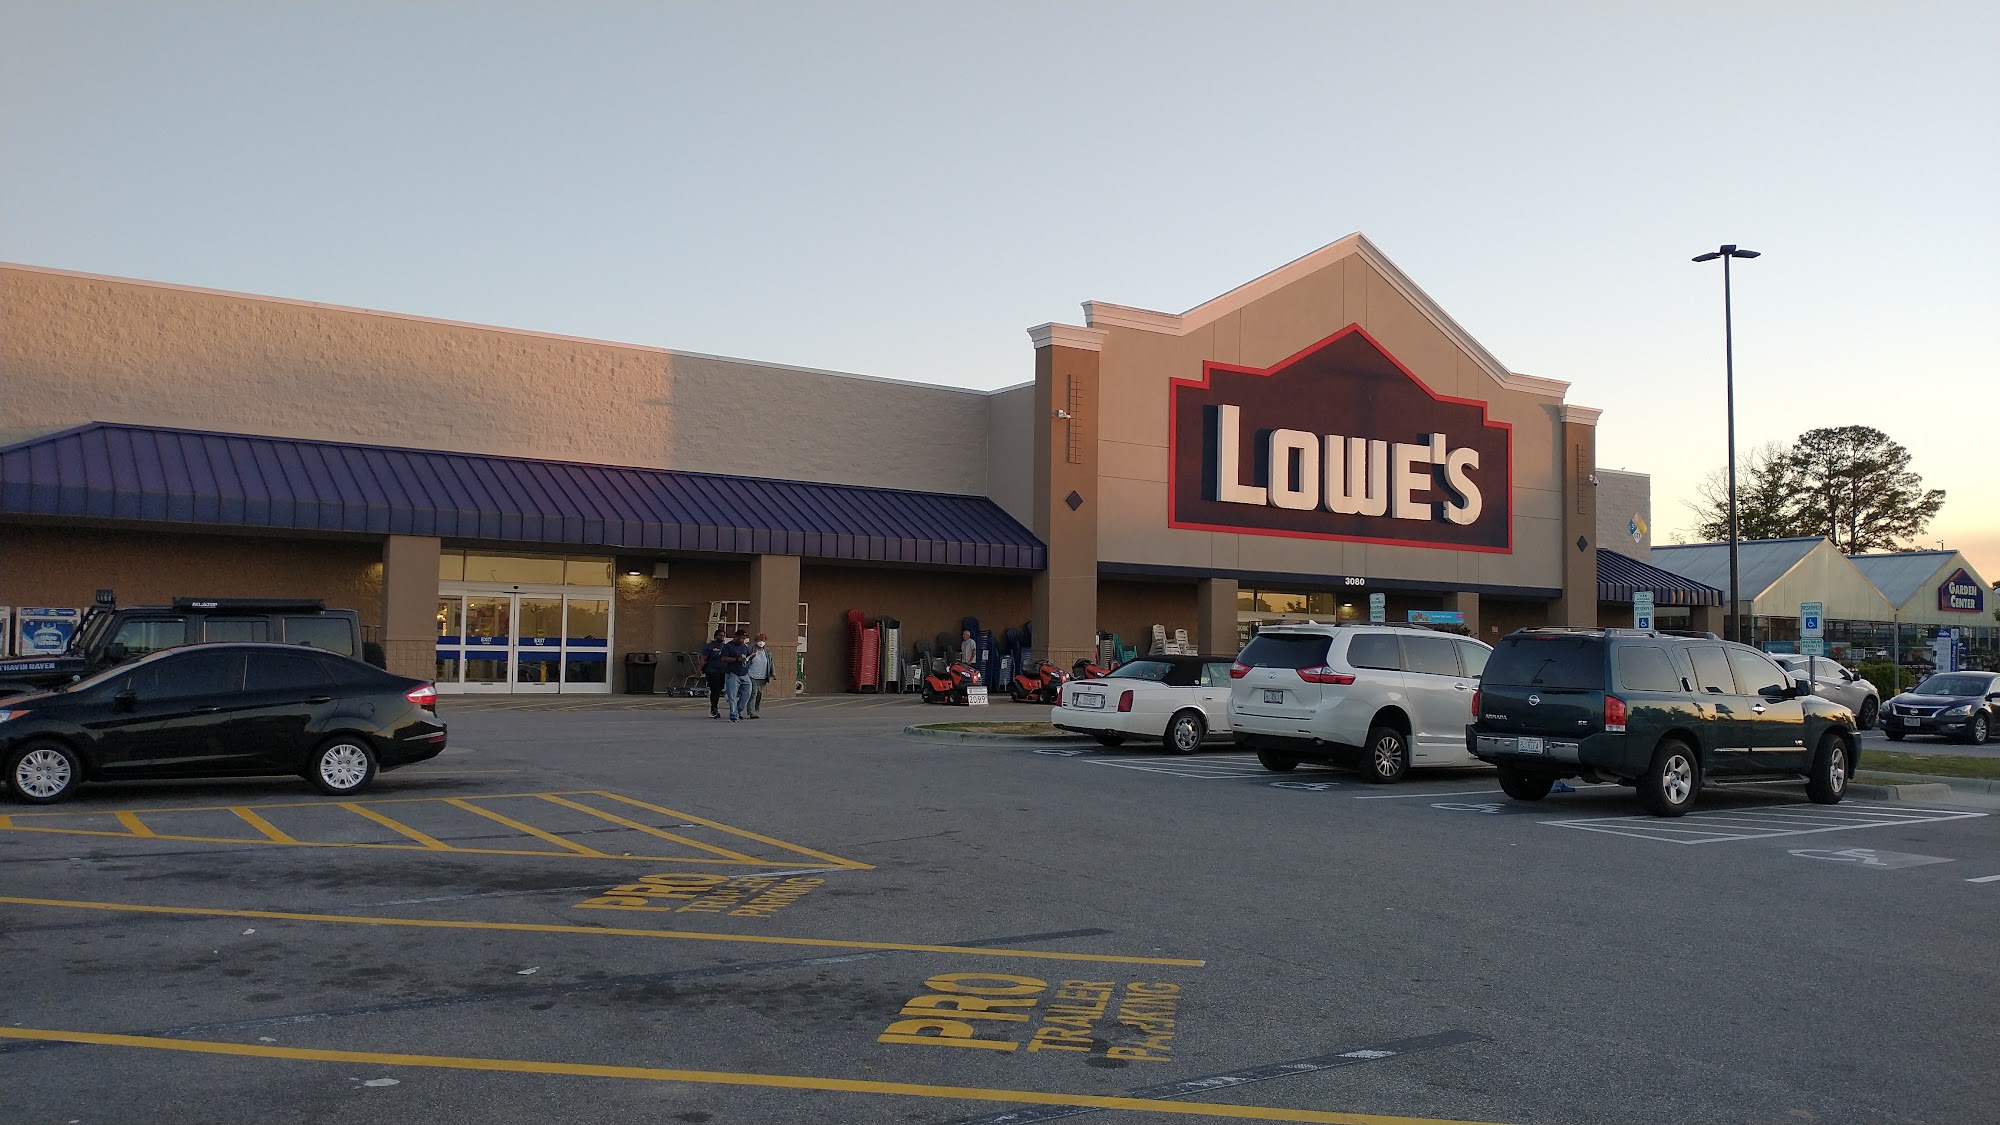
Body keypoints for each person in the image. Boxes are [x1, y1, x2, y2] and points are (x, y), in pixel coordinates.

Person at [722, 628, 755, 721]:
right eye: (741, 638)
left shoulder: (744, 646)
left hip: (744, 673)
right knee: (732, 696)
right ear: (736, 637)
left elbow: (748, 655)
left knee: (747, 693)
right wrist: (736, 659)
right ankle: (733, 715)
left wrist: (751, 656)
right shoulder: (728, 646)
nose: (742, 640)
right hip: (732, 673)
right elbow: (723, 658)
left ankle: (738, 711)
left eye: (744, 638)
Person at [699, 628, 727, 719]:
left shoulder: (725, 646)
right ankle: (714, 708)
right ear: (715, 636)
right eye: (720, 635)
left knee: (723, 689)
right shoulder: (709, 646)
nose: (722, 637)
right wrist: (698, 671)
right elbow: (703, 659)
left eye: (723, 636)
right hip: (712, 671)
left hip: (724, 671)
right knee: (715, 690)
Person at [744, 633, 774, 718]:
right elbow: (746, 659)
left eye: (763, 640)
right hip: (752, 674)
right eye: (759, 640)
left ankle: (756, 710)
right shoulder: (751, 649)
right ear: (756, 641)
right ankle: (751, 712)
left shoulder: (767, 651)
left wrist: (772, 672)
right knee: (753, 692)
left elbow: (771, 662)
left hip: (763, 676)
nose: (761, 642)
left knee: (759, 694)